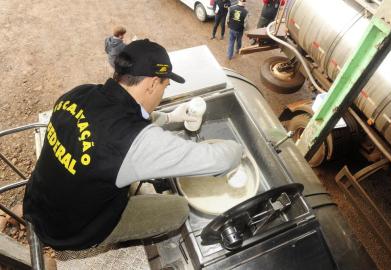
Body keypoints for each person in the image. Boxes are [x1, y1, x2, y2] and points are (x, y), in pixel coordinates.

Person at [23, 39, 243, 251]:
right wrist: (240, 150)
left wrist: (168, 117)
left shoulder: (80, 92)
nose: (162, 93)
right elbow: (221, 160)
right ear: (153, 83)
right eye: (165, 87)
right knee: (177, 210)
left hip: (37, 199)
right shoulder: (132, 144)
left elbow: (116, 121)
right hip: (69, 231)